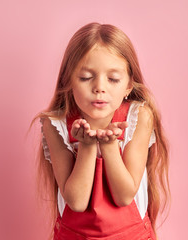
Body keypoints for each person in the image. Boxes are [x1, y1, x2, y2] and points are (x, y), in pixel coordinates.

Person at [32, 22, 170, 240]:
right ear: (69, 81)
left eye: (113, 79)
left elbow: (124, 196)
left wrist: (109, 145)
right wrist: (86, 145)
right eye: (86, 77)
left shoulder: (139, 117)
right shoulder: (55, 124)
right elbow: (76, 201)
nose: (100, 87)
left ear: (127, 85)